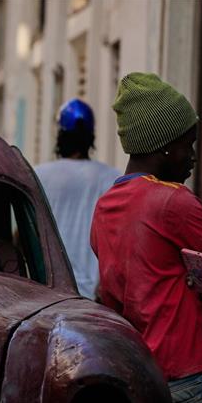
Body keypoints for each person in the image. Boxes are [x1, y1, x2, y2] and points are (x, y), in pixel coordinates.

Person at [91, 72, 202, 403]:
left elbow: (122, 287)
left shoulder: (105, 207)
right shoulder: (173, 200)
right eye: (186, 145)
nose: (192, 156)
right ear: (161, 146)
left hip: (143, 381)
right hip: (197, 383)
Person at [34, 98, 120, 298]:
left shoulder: (38, 175)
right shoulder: (111, 178)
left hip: (45, 292)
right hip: (92, 297)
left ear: (60, 136)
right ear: (91, 137)